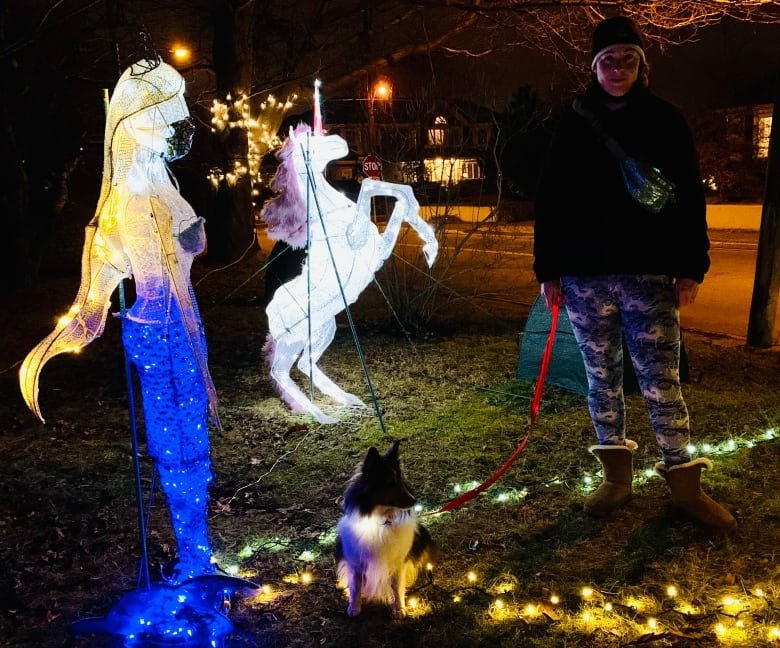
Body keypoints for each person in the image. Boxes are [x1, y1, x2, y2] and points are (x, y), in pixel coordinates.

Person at [20, 58, 222, 580]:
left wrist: (191, 237)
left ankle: (198, 551)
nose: (174, 130)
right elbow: (132, 283)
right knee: (177, 448)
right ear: (133, 123)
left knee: (194, 444)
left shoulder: (163, 186)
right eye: (162, 117)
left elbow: (192, 247)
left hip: (185, 331)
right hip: (161, 337)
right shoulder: (127, 205)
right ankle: (191, 554)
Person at [533, 16, 736, 530]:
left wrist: (692, 265)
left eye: (627, 58)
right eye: (607, 60)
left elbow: (690, 197)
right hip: (582, 277)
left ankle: (683, 483)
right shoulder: (572, 122)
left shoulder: (665, 119)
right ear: (594, 67)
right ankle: (616, 480)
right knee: (601, 380)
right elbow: (550, 200)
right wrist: (549, 270)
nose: (617, 68)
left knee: (660, 380)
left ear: (641, 65)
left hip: (648, 276)